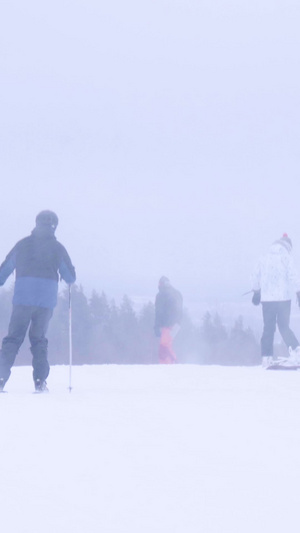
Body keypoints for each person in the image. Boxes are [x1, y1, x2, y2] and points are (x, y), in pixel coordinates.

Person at [0, 210, 76, 392]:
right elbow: (70, 277)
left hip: (23, 299)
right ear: (54, 226)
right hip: (45, 301)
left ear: (36, 223)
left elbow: (5, 269)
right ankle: (40, 381)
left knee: (13, 338)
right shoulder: (58, 248)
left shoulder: (23, 244)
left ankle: (1, 377)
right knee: (38, 339)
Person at [251, 233, 300, 367]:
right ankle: (297, 351)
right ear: (288, 246)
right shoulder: (286, 257)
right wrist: (298, 292)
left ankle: (266, 358)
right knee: (284, 327)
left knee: (268, 328)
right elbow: (294, 276)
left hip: (267, 300)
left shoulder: (263, 258)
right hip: (283, 299)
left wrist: (256, 292)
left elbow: (255, 276)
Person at [154, 276, 183, 364]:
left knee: (164, 347)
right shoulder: (177, 293)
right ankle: (171, 363)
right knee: (167, 345)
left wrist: (156, 326)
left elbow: (159, 312)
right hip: (177, 325)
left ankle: (168, 365)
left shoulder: (161, 295)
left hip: (167, 325)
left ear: (160, 284)